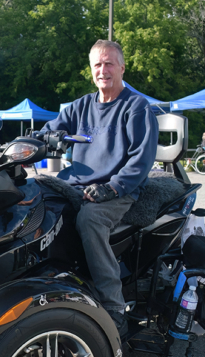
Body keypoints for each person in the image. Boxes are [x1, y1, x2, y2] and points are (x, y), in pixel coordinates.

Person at [40, 39, 159, 341]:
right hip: (76, 184)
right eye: (97, 64)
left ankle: (114, 308)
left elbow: (141, 160)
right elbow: (48, 131)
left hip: (120, 189)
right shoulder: (81, 106)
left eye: (109, 64)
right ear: (91, 69)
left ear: (121, 68)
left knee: (90, 219)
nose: (102, 70)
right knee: (33, 199)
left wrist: (113, 187)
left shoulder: (136, 107)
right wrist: (29, 143)